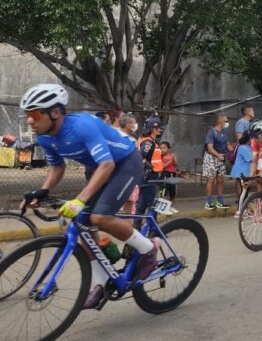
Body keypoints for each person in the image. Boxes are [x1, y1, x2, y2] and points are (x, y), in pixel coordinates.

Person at [19, 83, 158, 309]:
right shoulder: (45, 137)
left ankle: (148, 249)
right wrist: (42, 191)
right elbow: (57, 168)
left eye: (34, 114)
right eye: (27, 115)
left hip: (124, 162)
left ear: (55, 113)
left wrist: (79, 200)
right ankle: (102, 283)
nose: (29, 121)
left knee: (100, 217)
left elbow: (107, 164)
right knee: (83, 222)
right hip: (98, 167)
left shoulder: (82, 126)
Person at [136, 117, 165, 225]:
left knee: (145, 202)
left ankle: (143, 226)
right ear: (153, 129)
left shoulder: (152, 141)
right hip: (149, 176)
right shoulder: (148, 142)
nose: (160, 130)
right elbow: (141, 157)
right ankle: (150, 227)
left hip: (151, 175)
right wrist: (150, 168)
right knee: (149, 203)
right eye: (158, 128)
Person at [203, 115, 230, 210]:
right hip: (211, 158)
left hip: (221, 158)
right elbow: (210, 148)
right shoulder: (211, 132)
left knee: (221, 180)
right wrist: (218, 155)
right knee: (211, 180)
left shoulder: (224, 132)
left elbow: (228, 145)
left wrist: (234, 151)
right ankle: (208, 202)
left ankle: (220, 201)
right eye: (226, 121)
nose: (227, 123)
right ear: (220, 122)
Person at [229, 132, 253, 216]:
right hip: (242, 172)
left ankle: (244, 209)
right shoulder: (243, 148)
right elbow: (251, 159)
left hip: (245, 172)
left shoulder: (247, 147)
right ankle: (239, 210)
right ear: (248, 139)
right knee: (244, 191)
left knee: (245, 191)